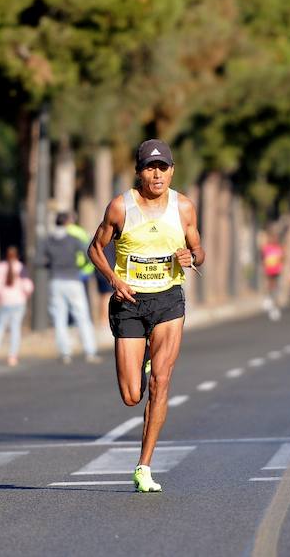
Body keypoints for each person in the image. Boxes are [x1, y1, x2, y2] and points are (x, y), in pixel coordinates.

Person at [88, 138, 205, 493]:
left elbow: (197, 249)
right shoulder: (120, 208)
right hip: (130, 302)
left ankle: (144, 465)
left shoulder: (183, 207)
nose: (157, 175)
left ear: (172, 171)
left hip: (168, 300)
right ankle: (145, 360)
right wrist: (113, 279)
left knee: (161, 384)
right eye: (150, 168)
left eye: (163, 168)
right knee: (130, 394)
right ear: (139, 172)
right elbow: (94, 248)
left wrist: (192, 257)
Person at [39, 212, 101, 364]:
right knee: (82, 316)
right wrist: (82, 268)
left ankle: (65, 352)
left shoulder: (48, 240)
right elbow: (88, 255)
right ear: (67, 222)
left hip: (55, 280)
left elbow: (39, 259)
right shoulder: (73, 239)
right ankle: (90, 351)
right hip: (73, 279)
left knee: (59, 318)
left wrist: (51, 264)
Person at [0, 247, 33, 367]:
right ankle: (12, 356)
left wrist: (0, 294)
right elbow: (27, 287)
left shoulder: (0, 267)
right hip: (18, 302)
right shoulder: (20, 267)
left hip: (5, 302)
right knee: (15, 329)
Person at [261, 232, 284, 320]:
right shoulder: (266, 248)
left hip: (276, 270)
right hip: (269, 270)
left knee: (275, 285)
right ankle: (268, 298)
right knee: (269, 284)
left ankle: (274, 302)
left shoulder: (278, 248)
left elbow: (281, 258)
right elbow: (263, 258)